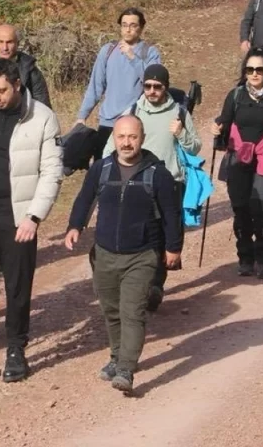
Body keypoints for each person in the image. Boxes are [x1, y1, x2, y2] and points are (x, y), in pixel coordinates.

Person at [0, 59, 63, 383]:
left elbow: (52, 172)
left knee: (18, 287)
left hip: (20, 216)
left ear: (17, 84)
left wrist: (34, 216)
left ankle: (16, 349)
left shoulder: (42, 118)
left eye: (1, 91)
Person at [64, 115, 183, 394]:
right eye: (121, 137)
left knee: (132, 311)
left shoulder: (158, 174)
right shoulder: (101, 169)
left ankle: (126, 368)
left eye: (132, 137)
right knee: (111, 310)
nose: (126, 143)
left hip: (142, 255)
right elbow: (84, 198)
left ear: (142, 139)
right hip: (104, 253)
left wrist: (173, 247)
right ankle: (117, 357)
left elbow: (171, 214)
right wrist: (75, 226)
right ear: (113, 139)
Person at [102, 64, 200, 311]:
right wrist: (105, 173)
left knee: (166, 235)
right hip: (138, 183)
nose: (152, 91)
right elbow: (111, 146)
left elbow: (195, 147)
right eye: (148, 86)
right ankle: (144, 287)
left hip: (171, 182)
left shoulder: (179, 112)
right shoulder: (133, 111)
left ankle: (156, 285)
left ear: (165, 87)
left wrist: (181, 134)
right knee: (145, 235)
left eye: (157, 86)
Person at [210, 48, 263, 279]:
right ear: (245, 72)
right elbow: (224, 122)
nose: (254, 74)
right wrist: (217, 128)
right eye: (250, 70)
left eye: (259, 69)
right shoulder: (235, 96)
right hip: (238, 158)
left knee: (260, 208)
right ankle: (245, 258)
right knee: (240, 209)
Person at [77, 7, 162, 160]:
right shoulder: (107, 51)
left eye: (133, 25)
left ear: (141, 28)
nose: (128, 29)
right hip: (108, 122)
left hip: (136, 122)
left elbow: (154, 84)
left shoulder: (150, 52)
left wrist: (132, 57)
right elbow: (96, 86)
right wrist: (82, 116)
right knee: (103, 168)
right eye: (124, 25)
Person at [0, 24, 52, 108]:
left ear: (17, 43)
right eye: (0, 42)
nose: (5, 48)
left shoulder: (29, 69)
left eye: (9, 42)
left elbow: (43, 104)